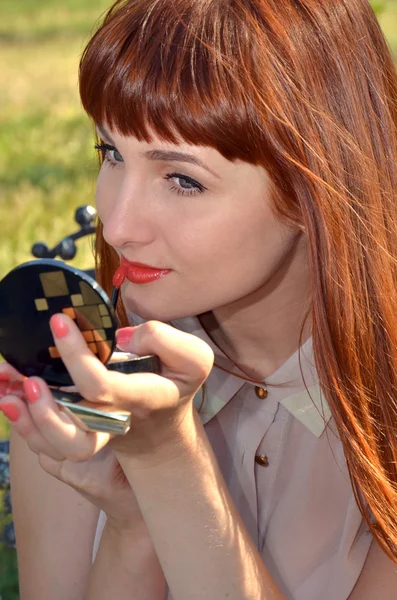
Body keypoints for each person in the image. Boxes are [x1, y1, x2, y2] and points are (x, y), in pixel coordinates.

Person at [1, 0, 397, 598]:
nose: (118, 227)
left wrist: (166, 459)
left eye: (183, 179)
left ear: (317, 186)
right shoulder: (77, 369)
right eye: (111, 153)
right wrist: (134, 530)